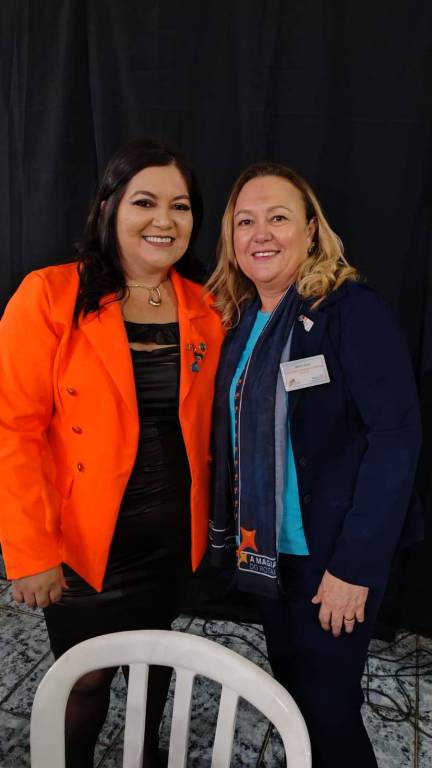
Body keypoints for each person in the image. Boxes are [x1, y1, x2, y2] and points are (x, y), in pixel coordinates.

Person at [0, 137, 224, 768]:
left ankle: (143, 755)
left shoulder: (207, 305)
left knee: (155, 662)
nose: (164, 220)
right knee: (85, 677)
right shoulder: (48, 295)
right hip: (82, 539)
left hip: (171, 534)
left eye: (180, 206)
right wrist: (30, 553)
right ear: (108, 207)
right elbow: (13, 429)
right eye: (144, 202)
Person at [207, 162, 422, 768]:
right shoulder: (238, 320)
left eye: (278, 218)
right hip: (267, 551)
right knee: (293, 693)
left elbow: (396, 439)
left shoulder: (351, 311)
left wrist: (354, 567)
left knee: (328, 710)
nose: (260, 234)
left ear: (310, 230)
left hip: (334, 555)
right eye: (245, 222)